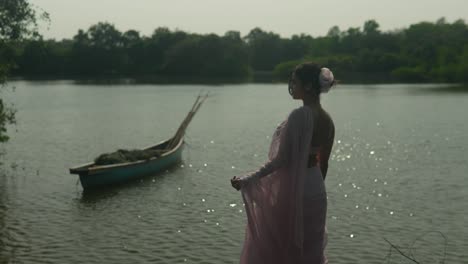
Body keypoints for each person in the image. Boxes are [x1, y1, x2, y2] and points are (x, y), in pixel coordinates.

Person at [230, 62, 336, 264]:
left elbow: (281, 160)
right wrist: (312, 188)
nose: (291, 86)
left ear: (307, 86)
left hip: (296, 189)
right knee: (309, 248)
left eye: (295, 82)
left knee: (285, 247)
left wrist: (248, 179)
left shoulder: (300, 115)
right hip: (316, 187)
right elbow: (324, 163)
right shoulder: (327, 119)